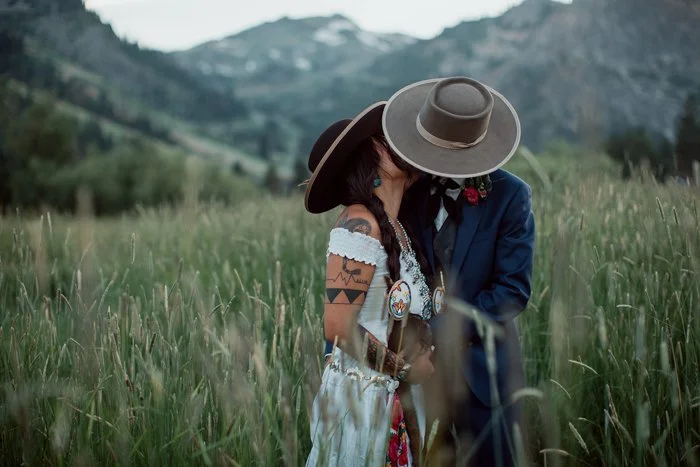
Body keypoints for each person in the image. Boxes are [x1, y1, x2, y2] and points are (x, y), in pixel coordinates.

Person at [382, 76, 536, 466]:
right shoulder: (410, 191)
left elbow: (512, 290)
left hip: (484, 373)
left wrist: (444, 330)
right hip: (419, 374)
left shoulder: (511, 196)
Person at [303, 102, 438, 466]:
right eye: (382, 139)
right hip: (364, 396)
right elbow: (338, 327)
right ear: (367, 159)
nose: (395, 143)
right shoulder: (358, 225)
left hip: (391, 391)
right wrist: (406, 370)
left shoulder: (395, 226)